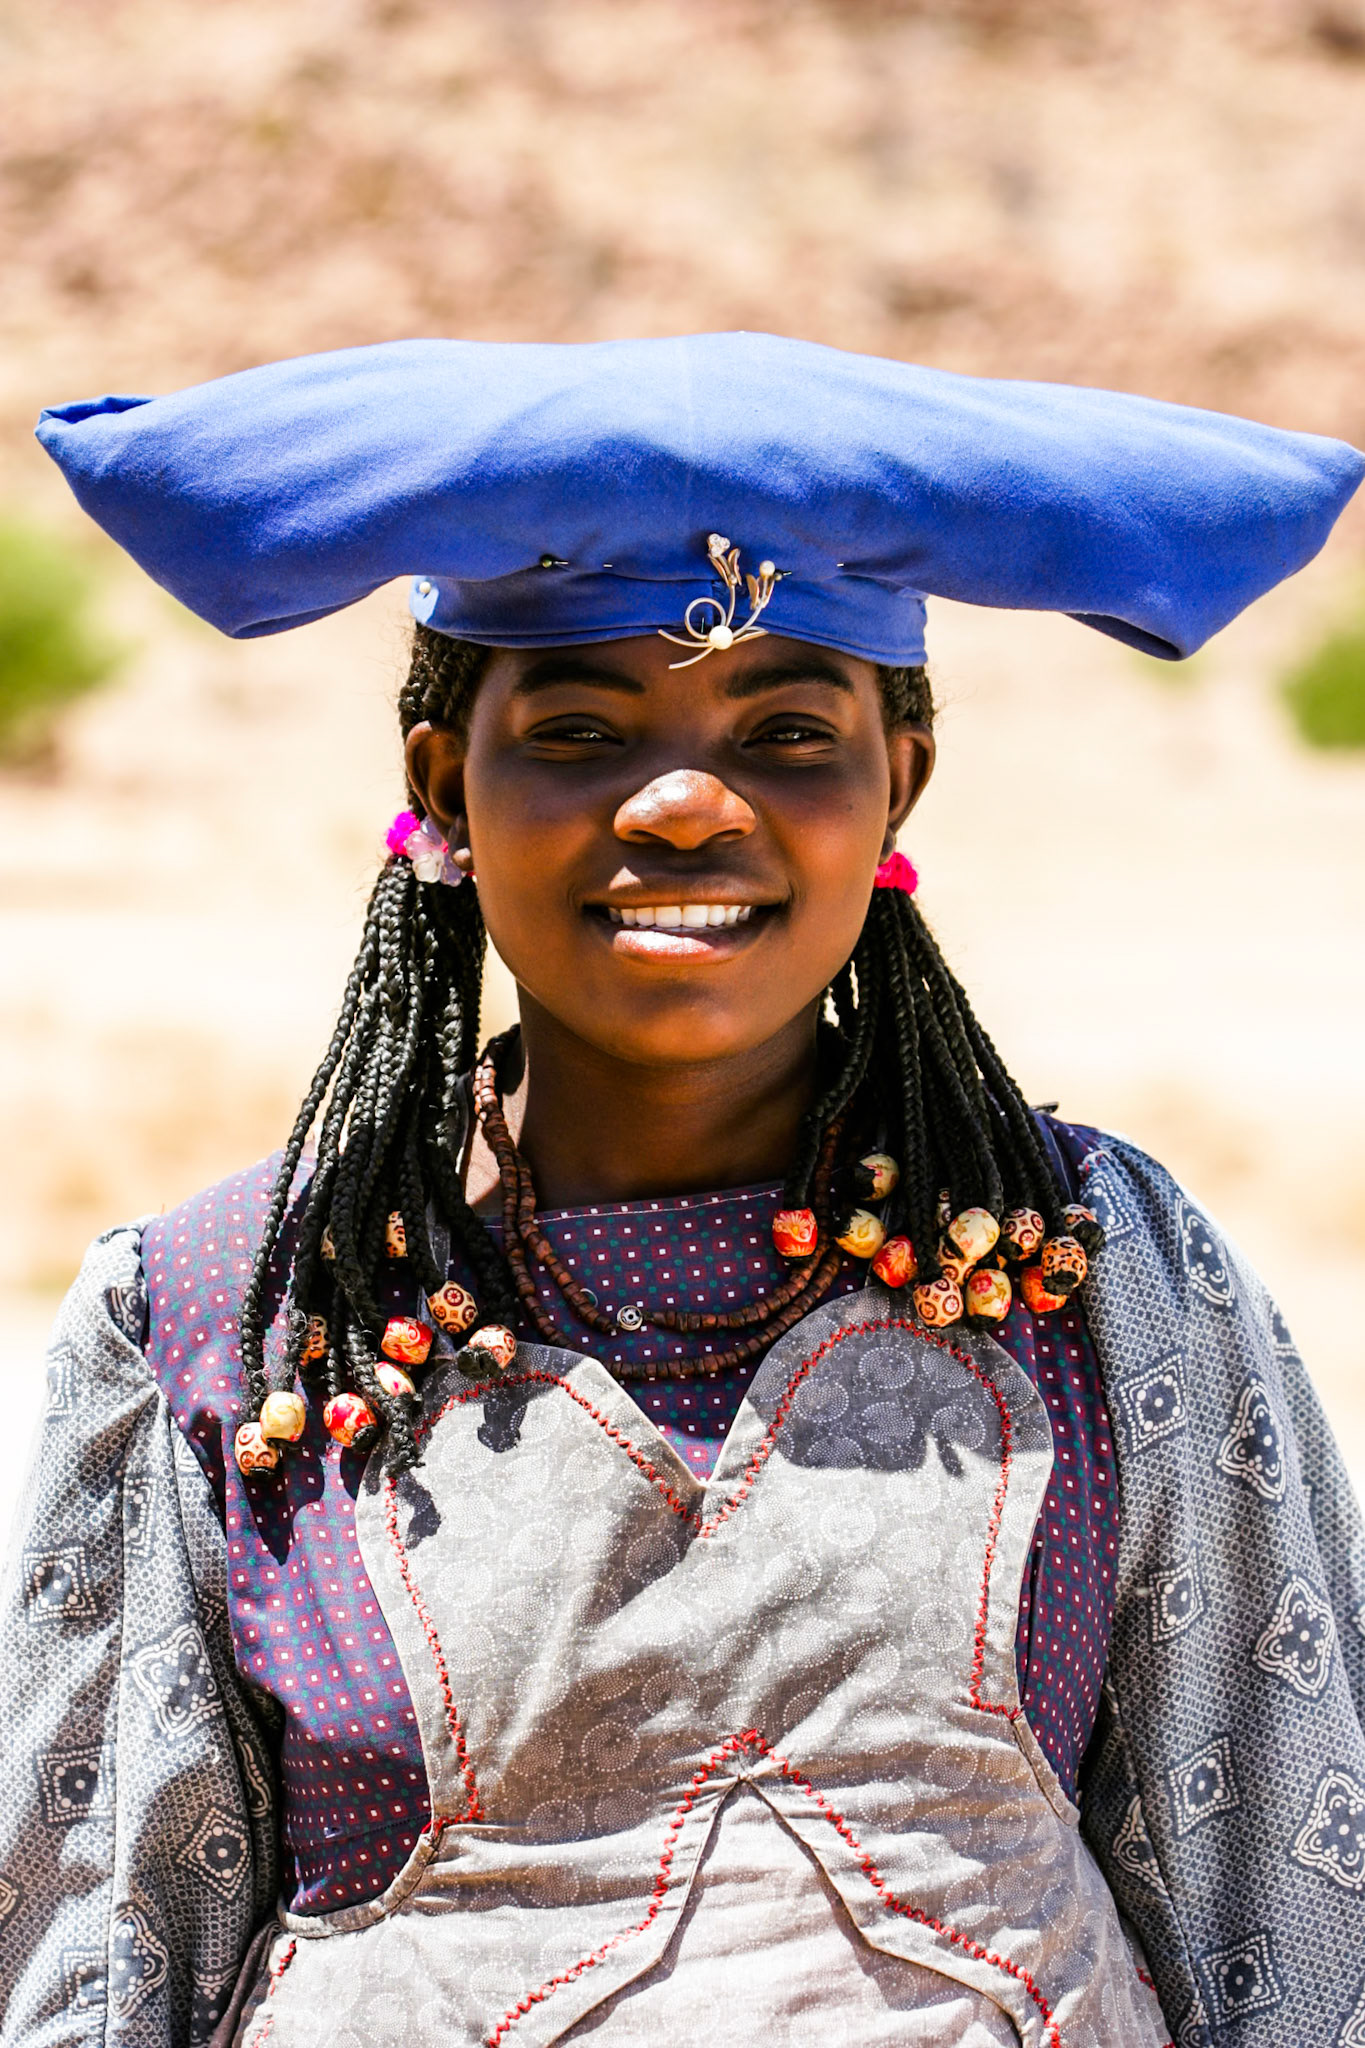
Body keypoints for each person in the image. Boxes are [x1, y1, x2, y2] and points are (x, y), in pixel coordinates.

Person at [3, 334, 1363, 2048]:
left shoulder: (1085, 1271)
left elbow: (1289, 1909)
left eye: (789, 729)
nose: (683, 803)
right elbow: (101, 1953)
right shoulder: (228, 1312)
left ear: (897, 786)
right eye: (576, 728)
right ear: (442, 787)